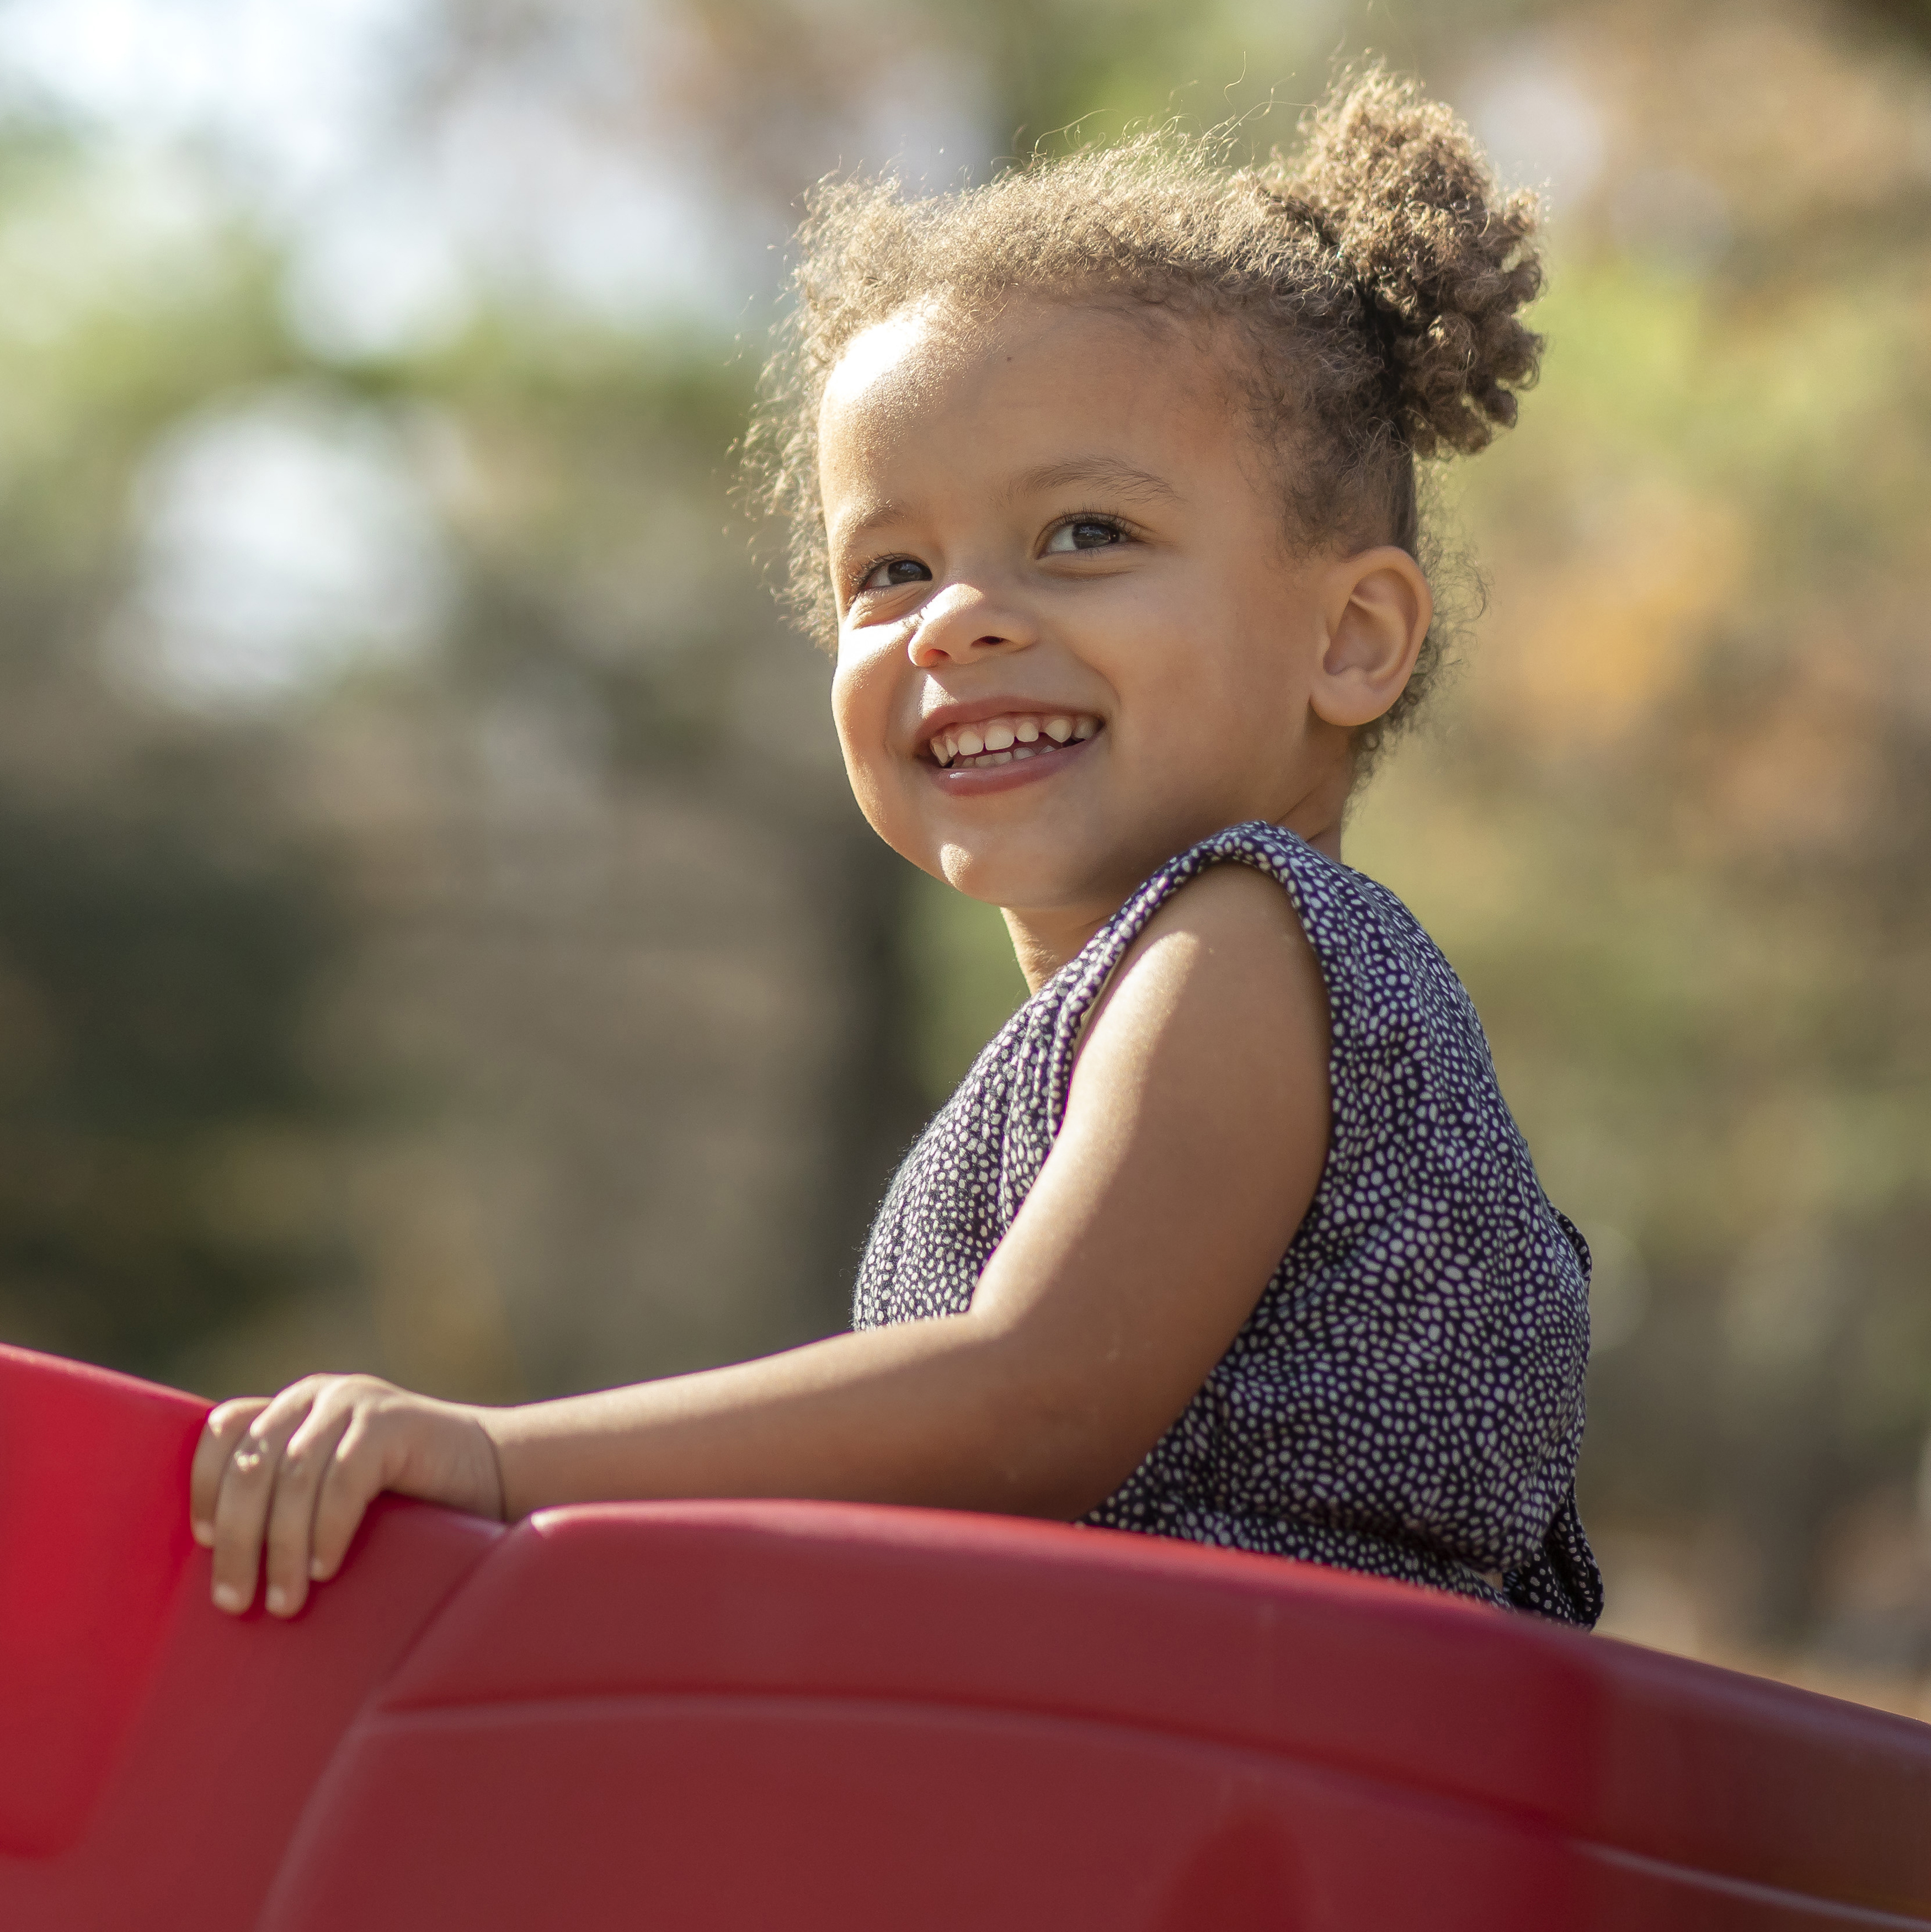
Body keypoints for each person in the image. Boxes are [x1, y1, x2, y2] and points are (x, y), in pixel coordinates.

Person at [190, 67, 1602, 1629]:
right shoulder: (1141, 1002)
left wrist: (500, 1463)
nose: (959, 618)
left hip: (1261, 1805)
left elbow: (1029, 1406)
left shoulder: (1247, 946)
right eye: (892, 567)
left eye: (1086, 534)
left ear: (1348, 638)